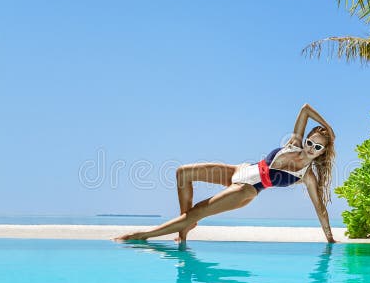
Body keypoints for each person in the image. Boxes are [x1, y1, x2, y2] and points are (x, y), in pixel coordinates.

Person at [114, 103, 336, 243]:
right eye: (311, 142)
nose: (311, 148)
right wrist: (329, 130)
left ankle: (143, 235)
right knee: (183, 173)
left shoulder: (306, 175)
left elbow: (320, 209)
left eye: (318, 147)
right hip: (240, 170)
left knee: (198, 211)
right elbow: (305, 109)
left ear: (322, 153)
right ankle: (185, 229)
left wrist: (329, 238)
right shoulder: (294, 143)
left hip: (247, 189)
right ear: (305, 139)